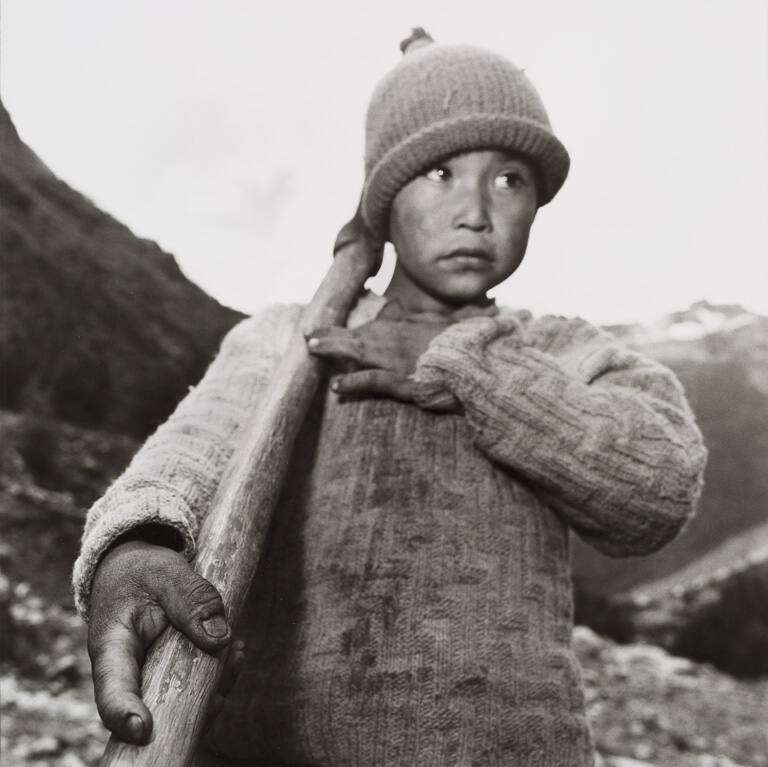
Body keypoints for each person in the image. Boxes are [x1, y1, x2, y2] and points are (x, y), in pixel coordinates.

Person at [74, 29, 707, 766]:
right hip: (269, 749)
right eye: (439, 171)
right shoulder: (295, 337)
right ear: (384, 198)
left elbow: (658, 485)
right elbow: (196, 444)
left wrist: (471, 370)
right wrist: (135, 546)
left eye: (510, 178)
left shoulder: (562, 352)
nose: (476, 209)